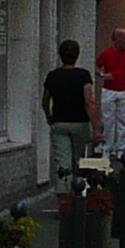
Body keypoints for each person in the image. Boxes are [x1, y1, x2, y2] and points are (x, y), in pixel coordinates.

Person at [42, 39, 99, 174]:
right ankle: (80, 189)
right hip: (80, 123)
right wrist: (96, 128)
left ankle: (64, 191)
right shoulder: (83, 75)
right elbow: (89, 101)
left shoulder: (52, 76)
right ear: (77, 55)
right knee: (81, 161)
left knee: (63, 163)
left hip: (59, 123)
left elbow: (45, 101)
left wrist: (49, 117)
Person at [95, 25, 125, 153]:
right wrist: (103, 75)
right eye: (124, 38)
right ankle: (108, 147)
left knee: (123, 120)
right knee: (108, 120)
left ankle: (121, 148)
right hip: (109, 90)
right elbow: (97, 67)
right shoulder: (106, 53)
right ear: (116, 39)